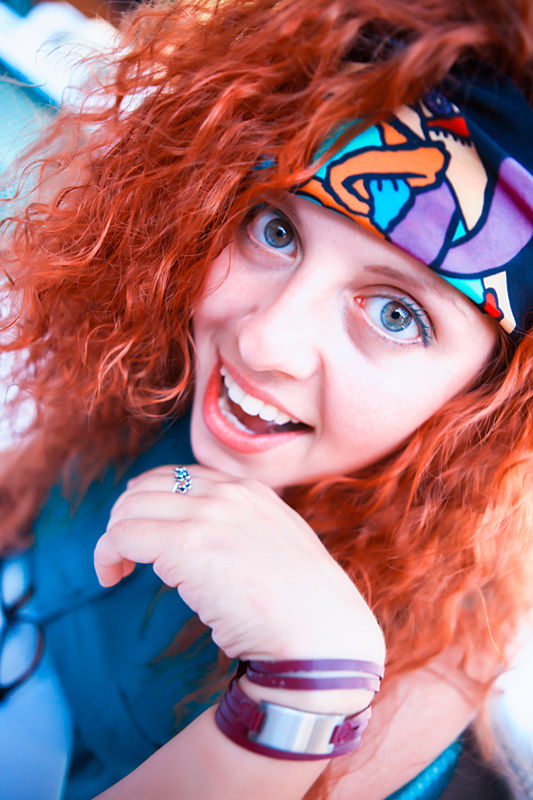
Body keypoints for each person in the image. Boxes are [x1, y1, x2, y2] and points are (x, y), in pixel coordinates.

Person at [1, 0, 532, 798]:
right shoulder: (149, 382)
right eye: (274, 230)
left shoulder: (431, 657)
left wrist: (300, 696)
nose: (261, 343)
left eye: (396, 315)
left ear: (487, 399)